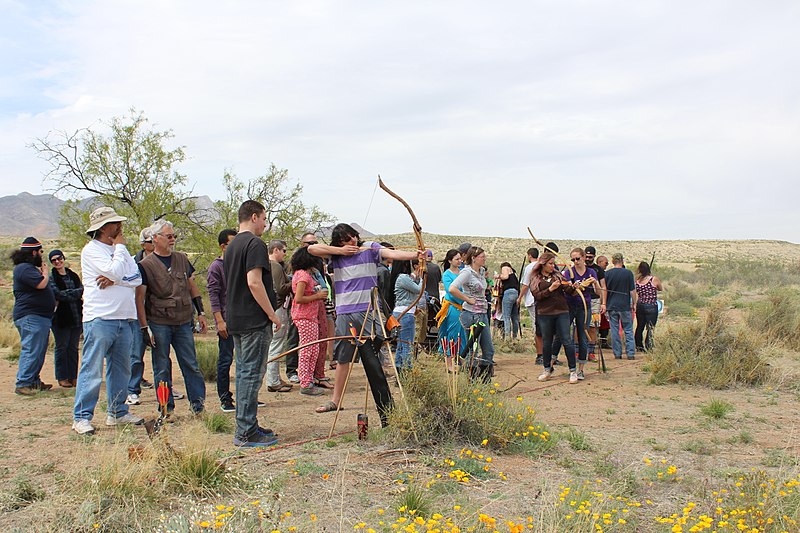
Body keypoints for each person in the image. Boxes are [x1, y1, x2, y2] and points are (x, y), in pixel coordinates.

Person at [308, 223, 421, 425]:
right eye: (346, 239)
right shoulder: (337, 255)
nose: (352, 241)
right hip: (345, 311)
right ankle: (336, 400)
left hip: (369, 310)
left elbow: (391, 254)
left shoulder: (369, 248)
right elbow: (311, 249)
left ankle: (386, 405)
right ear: (339, 242)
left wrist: (416, 255)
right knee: (344, 357)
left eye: (353, 237)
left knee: (375, 352)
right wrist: (340, 251)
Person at [73, 207, 144, 435]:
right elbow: (115, 272)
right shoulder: (92, 250)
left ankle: (117, 412)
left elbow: (136, 277)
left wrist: (116, 280)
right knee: (92, 369)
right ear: (104, 228)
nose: (119, 227)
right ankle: (81, 417)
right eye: (115, 223)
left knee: (120, 369)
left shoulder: (120, 252)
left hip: (124, 316)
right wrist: (120, 251)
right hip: (100, 317)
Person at [224, 201, 282, 447]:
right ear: (255, 217)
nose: (265, 224)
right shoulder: (254, 243)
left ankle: (247, 425)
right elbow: (254, 282)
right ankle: (246, 432)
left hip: (236, 318)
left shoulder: (232, 245)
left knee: (244, 373)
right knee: (251, 374)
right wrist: (271, 314)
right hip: (253, 319)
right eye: (264, 218)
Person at [136, 219, 206, 416]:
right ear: (155, 239)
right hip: (159, 323)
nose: (173, 239)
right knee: (161, 368)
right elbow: (139, 298)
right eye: (169, 236)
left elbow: (192, 286)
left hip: (183, 321)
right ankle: (166, 409)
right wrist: (144, 328)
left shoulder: (182, 259)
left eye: (174, 236)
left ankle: (198, 407)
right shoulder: (145, 265)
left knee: (191, 365)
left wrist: (200, 312)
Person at [11, 237, 55, 395]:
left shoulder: (27, 268)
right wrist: (45, 272)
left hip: (39, 316)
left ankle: (33, 381)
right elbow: (41, 284)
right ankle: (23, 383)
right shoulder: (24, 268)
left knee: (39, 349)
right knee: (32, 349)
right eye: (40, 252)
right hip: (31, 316)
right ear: (34, 252)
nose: (42, 255)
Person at [530, 252, 579, 384]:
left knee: (567, 340)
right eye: (550, 264)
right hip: (545, 313)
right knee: (547, 342)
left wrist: (573, 287)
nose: (553, 266)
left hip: (562, 311)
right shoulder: (535, 278)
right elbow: (537, 296)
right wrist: (550, 289)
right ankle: (547, 369)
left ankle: (573, 371)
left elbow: (568, 290)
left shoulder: (557, 275)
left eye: (553, 263)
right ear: (543, 264)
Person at [448, 246, 495, 380]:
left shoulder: (481, 271)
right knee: (473, 351)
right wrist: (468, 299)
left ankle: (485, 382)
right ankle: (472, 381)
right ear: (473, 258)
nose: (484, 258)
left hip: (482, 313)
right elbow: (452, 288)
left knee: (489, 350)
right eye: (482, 256)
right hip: (471, 315)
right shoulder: (466, 272)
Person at [289, 246, 330, 397]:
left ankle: (308, 381)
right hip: (304, 316)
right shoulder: (303, 276)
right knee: (308, 350)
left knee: (313, 349)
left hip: (309, 316)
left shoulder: (303, 274)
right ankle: (306, 383)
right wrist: (318, 296)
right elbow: (299, 298)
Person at [207, 229, 238, 412]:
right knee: (225, 359)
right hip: (226, 319)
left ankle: (245, 395)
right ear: (223, 246)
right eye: (231, 243)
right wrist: (219, 321)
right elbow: (213, 295)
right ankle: (224, 398)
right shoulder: (216, 267)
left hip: (242, 319)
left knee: (243, 361)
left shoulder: (239, 265)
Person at [126, 227, 155, 406]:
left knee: (162, 354)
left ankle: (165, 388)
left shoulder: (164, 261)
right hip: (138, 313)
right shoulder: (132, 263)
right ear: (143, 243)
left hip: (159, 313)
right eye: (150, 241)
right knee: (136, 353)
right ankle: (132, 390)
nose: (153, 244)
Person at [563, 248, 601, 380]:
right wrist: (575, 286)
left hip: (584, 307)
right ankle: (551, 364)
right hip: (570, 305)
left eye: (578, 259)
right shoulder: (569, 272)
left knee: (583, 335)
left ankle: (581, 369)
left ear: (584, 257)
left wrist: (594, 282)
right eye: (573, 259)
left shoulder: (591, 272)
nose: (575, 262)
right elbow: (566, 289)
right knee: (563, 334)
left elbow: (598, 292)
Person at [48, 249, 83, 388]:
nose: (57, 262)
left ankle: (73, 376)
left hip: (76, 315)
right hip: (60, 318)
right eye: (53, 260)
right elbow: (57, 294)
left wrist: (68, 294)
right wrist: (73, 294)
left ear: (63, 258)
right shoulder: (52, 277)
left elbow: (81, 290)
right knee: (62, 347)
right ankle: (62, 377)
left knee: (73, 348)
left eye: (59, 258)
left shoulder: (73, 275)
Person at [264, 240, 294, 393]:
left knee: (274, 344)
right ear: (275, 250)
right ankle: (273, 380)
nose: (284, 254)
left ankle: (275, 377)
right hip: (278, 307)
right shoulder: (274, 266)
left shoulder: (268, 265)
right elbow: (280, 288)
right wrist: (295, 282)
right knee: (276, 345)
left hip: (273, 307)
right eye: (283, 251)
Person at [435, 249, 466, 372]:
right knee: (452, 334)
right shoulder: (447, 275)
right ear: (450, 260)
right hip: (453, 307)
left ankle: (462, 359)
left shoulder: (463, 273)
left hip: (464, 307)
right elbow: (451, 292)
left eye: (460, 259)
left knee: (463, 334)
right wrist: (465, 300)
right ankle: (449, 362)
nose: (460, 261)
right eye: (457, 259)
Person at [391, 259, 423, 372]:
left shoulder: (404, 278)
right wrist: (423, 277)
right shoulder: (403, 277)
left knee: (402, 343)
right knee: (406, 343)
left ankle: (400, 369)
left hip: (403, 312)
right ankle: (405, 370)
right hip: (405, 313)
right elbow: (419, 289)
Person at [605, 253, 637, 359]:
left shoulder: (608, 274)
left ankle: (617, 354)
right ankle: (630, 353)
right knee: (628, 329)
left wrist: (604, 304)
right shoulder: (628, 273)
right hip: (624, 306)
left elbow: (605, 291)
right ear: (622, 261)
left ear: (613, 261)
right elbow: (632, 290)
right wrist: (634, 303)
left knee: (614, 330)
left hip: (612, 306)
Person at [517, 247, 543, 364]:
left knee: (537, 326)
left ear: (529, 255)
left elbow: (525, 284)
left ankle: (540, 354)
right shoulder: (542, 265)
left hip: (533, 299)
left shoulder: (529, 267)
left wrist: (520, 297)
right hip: (540, 299)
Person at [584, 246, 607, 361]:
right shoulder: (578, 267)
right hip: (581, 300)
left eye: (590, 257)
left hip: (595, 301)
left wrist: (603, 303)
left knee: (593, 326)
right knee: (580, 326)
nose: (588, 259)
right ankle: (578, 351)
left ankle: (591, 351)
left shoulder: (598, 270)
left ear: (594, 257)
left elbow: (603, 287)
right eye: (586, 256)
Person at [634, 261, 663, 352]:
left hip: (640, 305)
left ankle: (639, 346)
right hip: (651, 306)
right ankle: (649, 345)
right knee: (651, 327)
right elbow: (660, 288)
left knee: (640, 326)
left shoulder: (638, 281)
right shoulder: (653, 279)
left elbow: (636, 292)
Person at [497, 262, 520, 340]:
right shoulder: (514, 274)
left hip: (508, 293)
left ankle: (507, 338)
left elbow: (505, 277)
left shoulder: (505, 268)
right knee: (515, 317)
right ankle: (515, 337)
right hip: (516, 294)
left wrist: (498, 276)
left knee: (506, 317)